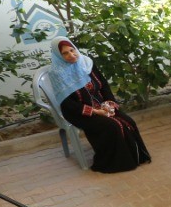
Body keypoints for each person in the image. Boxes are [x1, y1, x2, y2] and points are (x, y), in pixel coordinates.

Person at [47, 37, 150, 174]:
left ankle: (136, 157)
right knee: (112, 126)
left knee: (127, 121)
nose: (71, 55)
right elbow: (68, 104)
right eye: (65, 53)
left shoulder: (86, 63)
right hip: (78, 112)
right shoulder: (57, 73)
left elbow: (103, 84)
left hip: (101, 104)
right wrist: (95, 111)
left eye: (72, 50)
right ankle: (114, 163)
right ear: (58, 56)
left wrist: (109, 103)